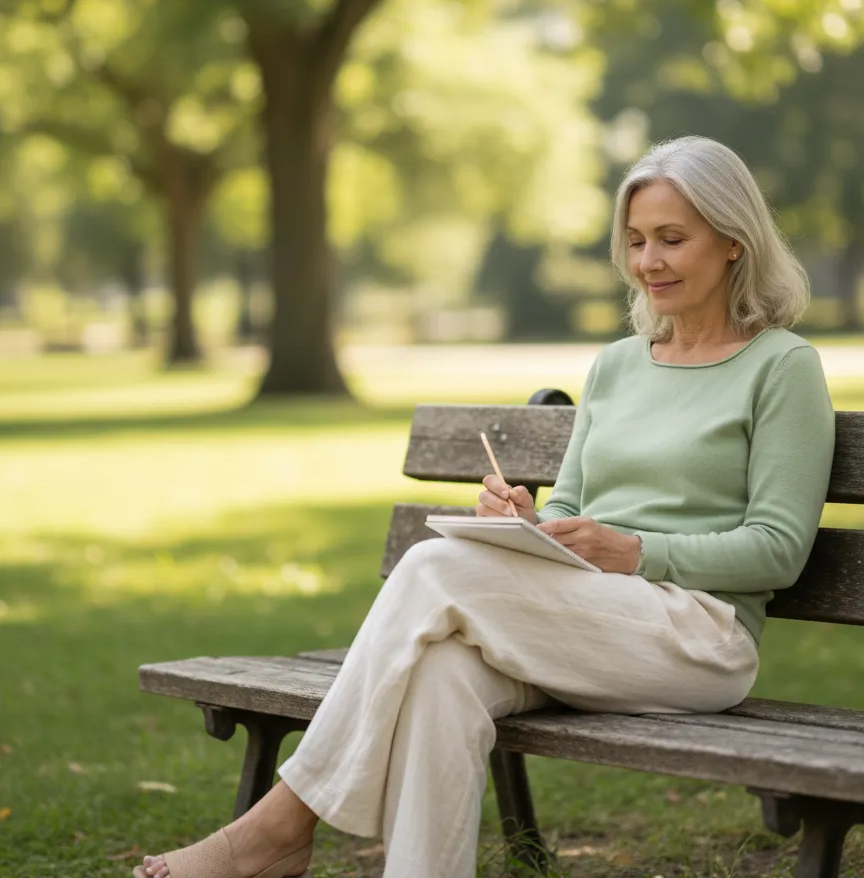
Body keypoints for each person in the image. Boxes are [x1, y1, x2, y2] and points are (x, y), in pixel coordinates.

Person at [135, 136, 836, 878]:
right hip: (584, 619)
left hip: (696, 637)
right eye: (634, 241)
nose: (648, 262)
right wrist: (526, 525)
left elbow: (779, 549)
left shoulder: (781, 367)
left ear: (733, 241)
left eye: (671, 239)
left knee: (435, 567)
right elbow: (572, 505)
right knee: (440, 675)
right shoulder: (618, 365)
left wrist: (635, 551)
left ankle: (277, 828)